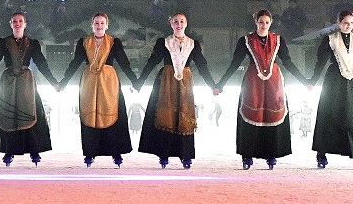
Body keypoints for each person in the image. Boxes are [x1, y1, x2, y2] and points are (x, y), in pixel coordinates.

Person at [215, 9, 306, 169]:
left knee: (272, 117)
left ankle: (271, 155)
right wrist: (220, 84)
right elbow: (235, 63)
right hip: (253, 83)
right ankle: (247, 155)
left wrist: (304, 81)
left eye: (267, 22)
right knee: (251, 115)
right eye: (261, 22)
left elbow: (287, 62)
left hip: (274, 83)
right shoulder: (246, 40)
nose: (264, 25)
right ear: (256, 22)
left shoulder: (278, 40)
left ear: (271, 23)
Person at [136, 12, 217, 169]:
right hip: (166, 81)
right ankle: (163, 154)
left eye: (181, 21)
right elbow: (152, 62)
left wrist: (213, 85)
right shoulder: (164, 43)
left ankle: (185, 156)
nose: (178, 24)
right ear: (171, 24)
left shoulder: (193, 44)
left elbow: (202, 66)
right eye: (175, 22)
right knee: (165, 115)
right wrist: (139, 82)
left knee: (184, 116)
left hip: (185, 83)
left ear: (186, 24)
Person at [0, 12, 58, 166]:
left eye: (20, 21)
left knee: (31, 113)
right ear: (10, 23)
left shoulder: (33, 43)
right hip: (8, 82)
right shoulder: (3, 43)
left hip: (26, 83)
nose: (17, 23)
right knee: (8, 115)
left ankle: (34, 150)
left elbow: (41, 63)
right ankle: (9, 151)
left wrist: (53, 82)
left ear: (25, 24)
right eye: (15, 21)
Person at [57, 12, 137, 167]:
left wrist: (136, 82)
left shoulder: (114, 42)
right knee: (89, 118)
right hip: (89, 84)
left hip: (109, 84)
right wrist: (64, 82)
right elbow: (75, 62)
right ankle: (90, 153)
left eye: (102, 23)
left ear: (107, 25)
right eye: (96, 23)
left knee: (114, 115)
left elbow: (124, 63)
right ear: (92, 25)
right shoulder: (84, 42)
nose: (99, 26)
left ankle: (116, 153)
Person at [309, 9, 353, 169]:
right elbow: (320, 63)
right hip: (335, 83)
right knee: (329, 114)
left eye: (351, 23)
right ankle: (322, 153)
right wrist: (313, 81)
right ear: (339, 23)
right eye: (345, 23)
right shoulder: (330, 39)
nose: (348, 26)